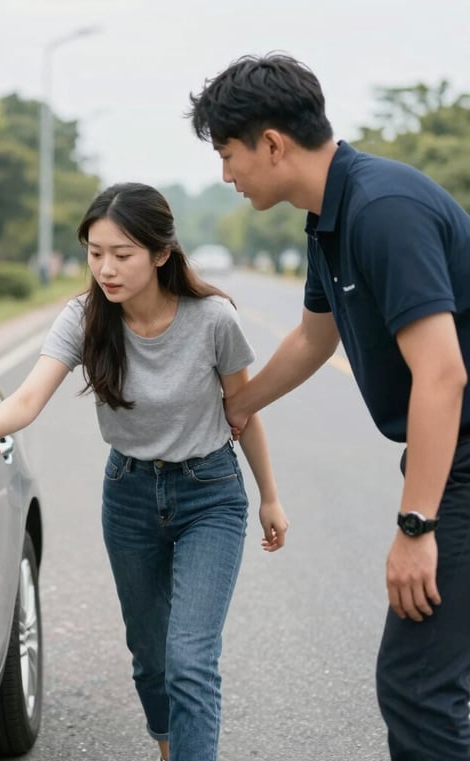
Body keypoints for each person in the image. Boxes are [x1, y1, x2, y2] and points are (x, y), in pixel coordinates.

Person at [188, 53, 470, 761]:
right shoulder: (330, 217)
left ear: (271, 144)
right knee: (433, 680)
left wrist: (416, 526)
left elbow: (442, 376)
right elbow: (315, 337)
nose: (225, 174)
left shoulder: (382, 210)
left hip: (463, 463)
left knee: (417, 686)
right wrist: (237, 405)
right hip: (454, 457)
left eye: (227, 154)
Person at [0, 182, 289, 761]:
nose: (106, 268)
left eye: (122, 254)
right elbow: (25, 401)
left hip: (210, 494)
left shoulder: (213, 319)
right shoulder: (84, 318)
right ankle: (169, 746)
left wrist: (269, 496)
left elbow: (243, 410)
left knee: (190, 660)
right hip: (128, 495)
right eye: (95, 253)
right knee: (151, 656)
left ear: (160, 253)